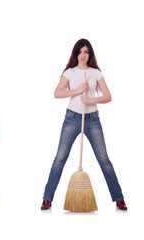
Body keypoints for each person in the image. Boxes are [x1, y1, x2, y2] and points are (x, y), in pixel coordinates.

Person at [41, 39, 127, 211]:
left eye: (86, 52)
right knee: (60, 158)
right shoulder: (70, 72)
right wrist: (77, 91)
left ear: (90, 54)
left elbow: (108, 96)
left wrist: (90, 99)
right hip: (72, 118)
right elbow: (57, 93)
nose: (83, 55)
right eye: (80, 52)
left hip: (92, 119)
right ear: (75, 54)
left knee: (104, 160)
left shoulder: (95, 73)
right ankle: (47, 198)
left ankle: (119, 198)